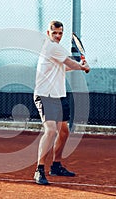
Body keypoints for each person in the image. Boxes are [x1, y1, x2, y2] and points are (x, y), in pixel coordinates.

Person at [33, 20, 90, 185]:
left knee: (64, 132)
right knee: (50, 131)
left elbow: (63, 67)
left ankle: (56, 166)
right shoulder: (51, 47)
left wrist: (80, 66)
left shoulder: (57, 50)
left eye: (60, 33)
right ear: (48, 33)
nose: (57, 36)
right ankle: (39, 170)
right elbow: (70, 63)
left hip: (59, 95)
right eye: (54, 33)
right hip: (45, 96)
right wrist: (82, 67)